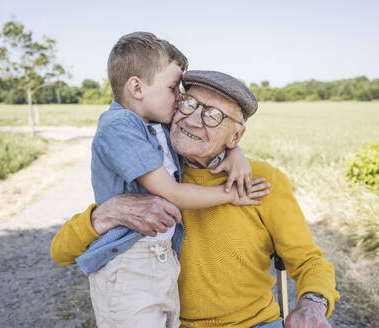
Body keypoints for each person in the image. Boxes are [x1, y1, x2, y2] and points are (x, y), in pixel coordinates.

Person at [51, 70, 340, 328]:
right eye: (188, 103)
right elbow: (61, 252)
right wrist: (106, 214)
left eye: (213, 115)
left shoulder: (264, 181)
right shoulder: (153, 176)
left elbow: (309, 261)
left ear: (236, 136)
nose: (192, 119)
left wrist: (312, 305)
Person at [60, 32, 269, 328]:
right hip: (129, 264)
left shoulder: (155, 120)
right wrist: (230, 195)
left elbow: (212, 128)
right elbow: (170, 192)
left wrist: (236, 152)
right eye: (174, 88)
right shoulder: (118, 126)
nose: (180, 100)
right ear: (136, 87)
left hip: (162, 258)